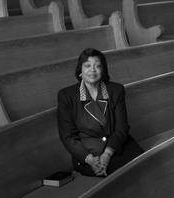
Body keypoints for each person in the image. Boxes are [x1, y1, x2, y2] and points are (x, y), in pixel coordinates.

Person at [57, 48, 144, 177]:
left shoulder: (116, 90)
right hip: (88, 154)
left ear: (103, 70)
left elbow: (122, 128)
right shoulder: (66, 95)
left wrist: (107, 154)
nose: (92, 70)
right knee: (120, 178)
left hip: (116, 146)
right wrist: (91, 160)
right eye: (87, 66)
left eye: (97, 66)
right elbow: (68, 137)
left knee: (144, 166)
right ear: (80, 71)